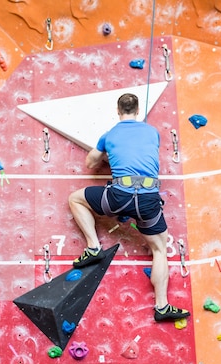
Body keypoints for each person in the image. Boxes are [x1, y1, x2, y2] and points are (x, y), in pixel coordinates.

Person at [68, 93, 190, 322]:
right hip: (148, 200)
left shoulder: (110, 134)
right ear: (137, 111)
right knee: (159, 249)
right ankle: (162, 306)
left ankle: (93, 246)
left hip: (118, 196)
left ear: (118, 111)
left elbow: (90, 163)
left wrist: (105, 155)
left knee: (75, 199)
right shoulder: (152, 132)